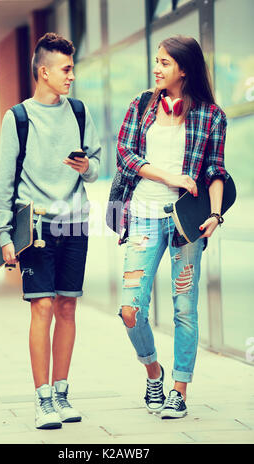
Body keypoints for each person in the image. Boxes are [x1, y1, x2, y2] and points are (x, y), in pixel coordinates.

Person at [0, 33, 101, 429]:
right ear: (45, 71)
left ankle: (61, 393)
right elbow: (4, 183)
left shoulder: (81, 112)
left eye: (72, 68)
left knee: (68, 306)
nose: (71, 76)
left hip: (74, 222)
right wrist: (4, 236)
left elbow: (98, 165)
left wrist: (86, 167)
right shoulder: (17, 118)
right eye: (66, 69)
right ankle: (42, 401)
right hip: (35, 226)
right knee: (43, 306)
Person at [116, 35, 229, 419]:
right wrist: (171, 177)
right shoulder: (141, 104)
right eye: (156, 61)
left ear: (184, 68)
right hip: (144, 215)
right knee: (131, 309)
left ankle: (178, 389)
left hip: (186, 223)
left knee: (184, 309)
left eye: (164, 62)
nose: (156, 68)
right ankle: (153, 371)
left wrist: (214, 214)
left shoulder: (211, 116)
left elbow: (216, 170)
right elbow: (126, 155)